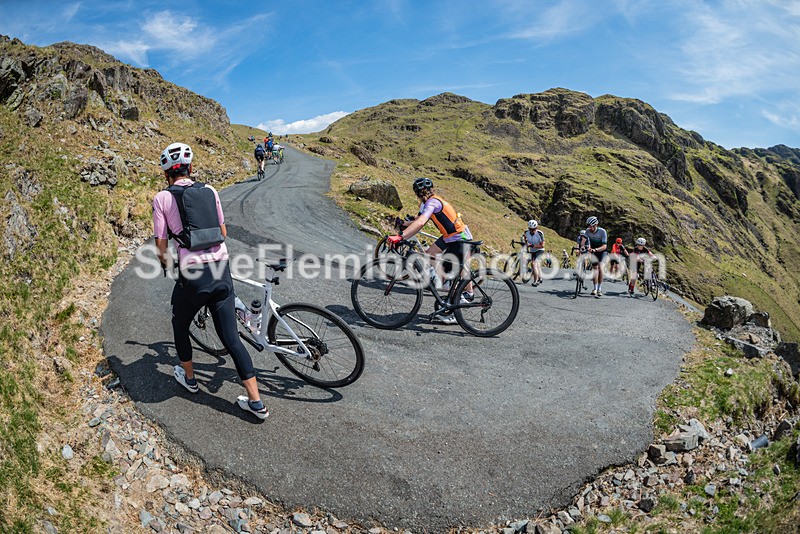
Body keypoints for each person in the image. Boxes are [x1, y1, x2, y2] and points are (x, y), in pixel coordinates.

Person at [152, 142, 268, 420]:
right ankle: (256, 403)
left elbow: (160, 243)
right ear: (191, 169)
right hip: (221, 270)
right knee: (231, 338)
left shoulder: (162, 198)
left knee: (179, 324)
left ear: (167, 173)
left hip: (193, 275)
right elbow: (223, 231)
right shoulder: (211, 190)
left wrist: (168, 266)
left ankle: (189, 379)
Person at [388, 177, 474, 324]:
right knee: (428, 255)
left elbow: (421, 222)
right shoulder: (433, 200)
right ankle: (444, 283)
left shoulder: (432, 202)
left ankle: (458, 307)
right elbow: (419, 220)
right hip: (449, 237)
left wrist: (400, 236)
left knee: (449, 277)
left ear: (418, 194)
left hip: (459, 238)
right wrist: (404, 228)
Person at [584, 216, 607, 298]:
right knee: (595, 269)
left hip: (602, 251)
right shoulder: (587, 231)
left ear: (596, 225)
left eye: (591, 226)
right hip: (593, 250)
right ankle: (594, 288)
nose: (589, 228)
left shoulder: (602, 232)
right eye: (589, 226)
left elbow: (604, 246)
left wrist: (596, 249)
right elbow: (584, 240)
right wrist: (583, 247)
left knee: (600, 267)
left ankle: (599, 288)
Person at [523, 220, 545, 286]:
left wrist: (532, 245)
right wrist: (526, 243)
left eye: (534, 229)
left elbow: (542, 245)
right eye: (530, 229)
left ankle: (535, 281)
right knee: (536, 264)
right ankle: (540, 278)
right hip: (532, 250)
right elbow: (525, 239)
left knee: (534, 263)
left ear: (537, 228)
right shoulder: (526, 232)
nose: (532, 231)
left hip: (540, 250)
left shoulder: (540, 233)